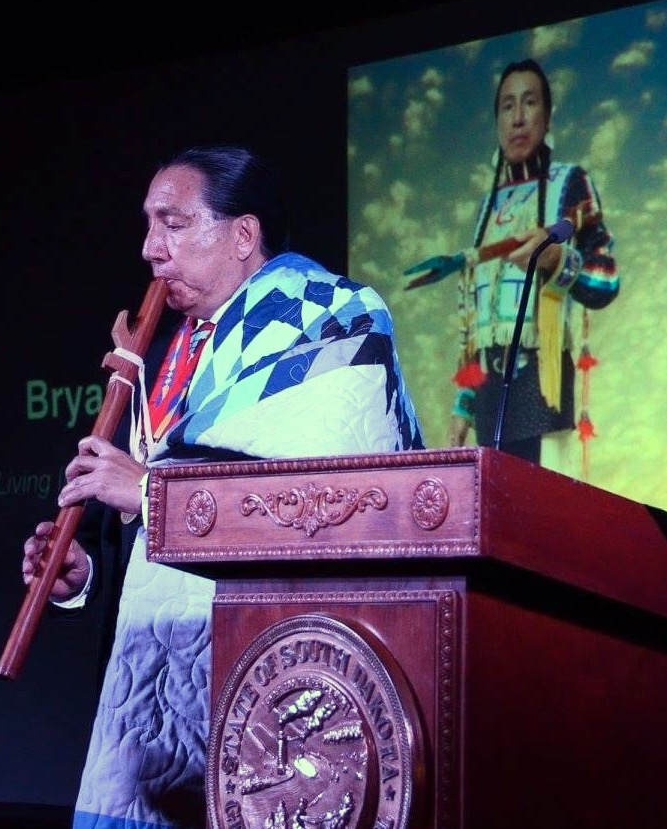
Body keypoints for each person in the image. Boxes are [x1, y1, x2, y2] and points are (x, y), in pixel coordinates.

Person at [21, 143, 424, 829]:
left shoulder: (335, 318)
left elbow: (330, 508)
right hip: (156, 696)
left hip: (286, 684)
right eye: (149, 224)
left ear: (242, 234)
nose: (150, 248)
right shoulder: (164, 352)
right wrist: (83, 575)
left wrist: (150, 494)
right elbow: (142, 540)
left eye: (173, 223)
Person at [447, 58, 619, 467]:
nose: (518, 118)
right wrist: (463, 406)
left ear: (548, 115)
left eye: (529, 102)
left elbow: (606, 280)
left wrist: (556, 258)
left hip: (542, 385)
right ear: (497, 121)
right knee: (492, 500)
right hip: (490, 398)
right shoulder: (489, 207)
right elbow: (477, 323)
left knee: (541, 502)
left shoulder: (569, 182)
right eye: (507, 106)